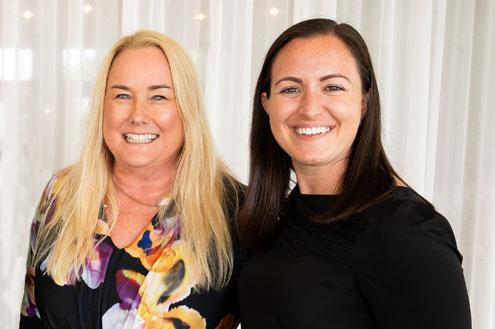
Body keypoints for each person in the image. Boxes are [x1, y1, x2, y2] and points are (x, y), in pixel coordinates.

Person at [238, 18, 471, 329]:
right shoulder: (281, 216)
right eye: (291, 88)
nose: (310, 108)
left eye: (333, 87)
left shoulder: (405, 233)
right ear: (267, 104)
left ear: (363, 102)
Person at [20, 30, 242, 329]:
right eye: (122, 95)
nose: (138, 114)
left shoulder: (238, 213)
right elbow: (31, 318)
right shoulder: (62, 192)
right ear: (102, 106)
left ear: (187, 109)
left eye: (159, 96)